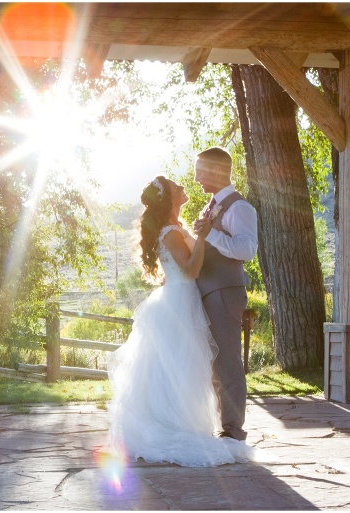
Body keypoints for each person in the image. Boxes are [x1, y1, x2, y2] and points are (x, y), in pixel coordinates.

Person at [105, 175, 255, 467]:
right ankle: (176, 427)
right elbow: (190, 270)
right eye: (177, 187)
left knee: (182, 365)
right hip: (179, 300)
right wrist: (203, 235)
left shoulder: (174, 227)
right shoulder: (171, 231)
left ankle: (182, 423)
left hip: (183, 299)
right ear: (169, 199)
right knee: (181, 366)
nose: (183, 187)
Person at [192, 147, 258, 442]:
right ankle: (221, 425)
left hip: (224, 292)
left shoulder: (239, 207)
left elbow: (247, 250)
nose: (196, 179)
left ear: (217, 171)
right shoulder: (212, 206)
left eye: (200, 172)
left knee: (227, 363)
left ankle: (233, 432)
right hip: (207, 291)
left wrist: (212, 235)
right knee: (212, 363)